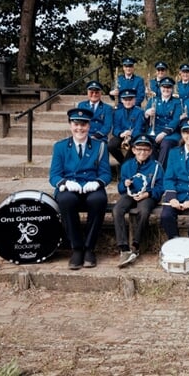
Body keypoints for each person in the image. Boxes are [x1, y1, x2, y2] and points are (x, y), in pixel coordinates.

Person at [49, 107, 112, 270]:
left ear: (89, 126)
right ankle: (76, 248)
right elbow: (54, 175)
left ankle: (89, 248)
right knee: (66, 200)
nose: (80, 128)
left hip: (91, 186)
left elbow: (106, 174)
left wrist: (97, 183)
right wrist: (65, 183)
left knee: (99, 200)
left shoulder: (100, 146)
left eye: (83, 125)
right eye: (76, 124)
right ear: (70, 125)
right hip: (70, 187)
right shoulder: (60, 147)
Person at [111, 134, 164, 268]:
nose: (142, 152)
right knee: (117, 210)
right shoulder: (127, 165)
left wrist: (148, 194)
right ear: (133, 150)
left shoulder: (156, 166)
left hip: (147, 195)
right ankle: (123, 247)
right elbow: (120, 188)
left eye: (146, 150)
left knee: (144, 211)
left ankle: (136, 245)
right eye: (139, 149)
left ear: (150, 151)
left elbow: (160, 187)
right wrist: (125, 184)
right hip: (130, 195)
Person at [144, 76, 182, 166]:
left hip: (171, 133)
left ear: (172, 89)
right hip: (155, 131)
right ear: (160, 88)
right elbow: (146, 120)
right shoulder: (153, 100)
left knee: (166, 144)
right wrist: (147, 114)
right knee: (149, 143)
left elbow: (176, 120)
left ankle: (159, 169)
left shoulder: (177, 102)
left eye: (169, 87)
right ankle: (151, 169)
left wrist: (164, 133)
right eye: (164, 87)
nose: (166, 89)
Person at [108, 88, 146, 164]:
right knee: (111, 145)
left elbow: (139, 128)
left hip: (134, 136)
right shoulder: (117, 112)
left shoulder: (140, 112)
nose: (128, 102)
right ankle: (123, 163)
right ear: (122, 100)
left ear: (134, 100)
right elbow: (115, 128)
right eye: (125, 100)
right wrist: (121, 134)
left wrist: (131, 134)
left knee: (133, 146)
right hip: (122, 135)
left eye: (130, 99)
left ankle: (126, 166)